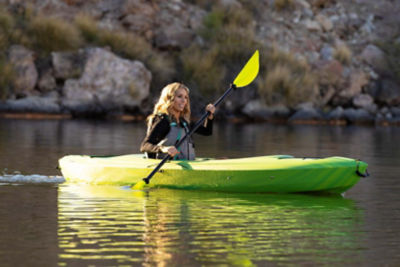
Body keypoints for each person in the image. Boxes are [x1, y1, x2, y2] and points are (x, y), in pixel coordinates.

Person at [140, 82, 215, 160]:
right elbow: (144, 146)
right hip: (168, 166)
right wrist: (163, 149)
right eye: (179, 96)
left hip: (187, 164)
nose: (184, 101)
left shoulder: (184, 122)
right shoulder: (163, 121)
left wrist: (209, 117)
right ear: (169, 99)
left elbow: (207, 131)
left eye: (186, 97)